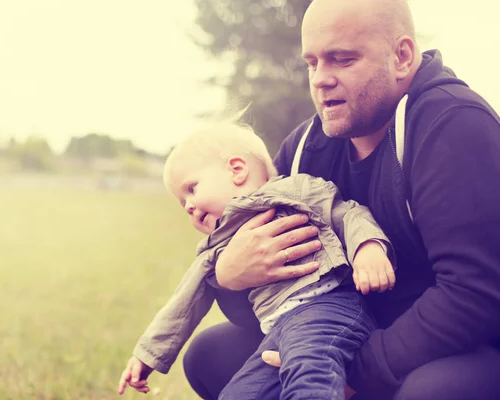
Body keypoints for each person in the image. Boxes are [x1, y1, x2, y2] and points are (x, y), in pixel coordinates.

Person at [182, 0, 500, 399]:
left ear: (402, 57)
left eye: (342, 60)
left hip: (462, 348)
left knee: (432, 392)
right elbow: (265, 306)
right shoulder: (303, 149)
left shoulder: (453, 125)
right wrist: (229, 275)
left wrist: (355, 371)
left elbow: (476, 296)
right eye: (312, 63)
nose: (320, 79)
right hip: (338, 327)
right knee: (212, 355)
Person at [117, 120, 396, 399]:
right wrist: (147, 355)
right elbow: (182, 304)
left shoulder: (294, 191)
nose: (188, 206)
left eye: (191, 188)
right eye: (181, 203)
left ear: (237, 170)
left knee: (308, 375)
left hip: (331, 304)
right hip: (278, 329)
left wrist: (368, 247)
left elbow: (348, 214)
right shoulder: (216, 247)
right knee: (241, 393)